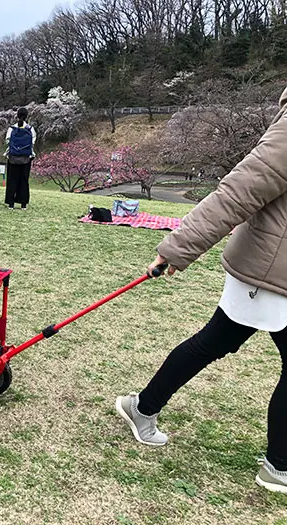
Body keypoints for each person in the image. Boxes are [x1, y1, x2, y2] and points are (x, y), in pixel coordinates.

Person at [115, 86, 287, 494]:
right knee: (212, 343)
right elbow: (238, 191)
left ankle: (142, 407)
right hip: (270, 271)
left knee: (213, 342)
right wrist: (176, 248)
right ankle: (280, 465)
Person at [4, 107, 36, 210]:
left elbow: (7, 141)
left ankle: (11, 203)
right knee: (23, 180)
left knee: (12, 180)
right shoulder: (30, 129)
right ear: (27, 116)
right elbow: (32, 143)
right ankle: (23, 204)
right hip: (26, 158)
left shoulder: (11, 128)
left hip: (13, 157)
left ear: (17, 115)